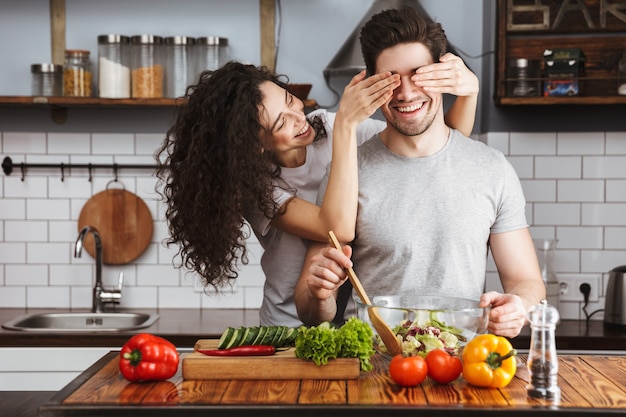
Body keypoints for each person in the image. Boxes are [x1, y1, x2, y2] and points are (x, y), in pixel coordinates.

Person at [156, 52, 479, 327]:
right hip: (288, 323)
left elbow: (436, 144)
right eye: (281, 124)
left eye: (290, 102)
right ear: (254, 145)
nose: (299, 119)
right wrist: (346, 129)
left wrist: (469, 92)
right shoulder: (259, 190)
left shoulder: (327, 125)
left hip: (344, 315)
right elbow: (334, 227)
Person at [294, 6, 545, 338]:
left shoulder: (492, 169)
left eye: (418, 74)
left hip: (461, 371)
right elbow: (311, 311)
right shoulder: (346, 173)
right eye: (391, 79)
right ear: (371, 84)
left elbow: (526, 282)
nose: (407, 92)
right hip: (375, 370)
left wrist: (518, 305)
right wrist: (318, 293)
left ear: (444, 74)